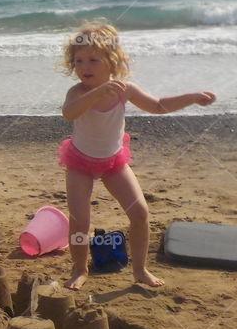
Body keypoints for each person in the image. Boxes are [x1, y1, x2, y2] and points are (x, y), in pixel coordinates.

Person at [58, 21, 215, 290]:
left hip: (112, 162)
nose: (84, 67)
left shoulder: (124, 90)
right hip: (80, 162)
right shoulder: (78, 92)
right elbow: (69, 113)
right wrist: (96, 92)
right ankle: (80, 269)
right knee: (80, 220)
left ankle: (140, 270)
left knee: (140, 213)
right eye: (79, 61)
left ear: (112, 62)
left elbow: (159, 106)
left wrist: (191, 97)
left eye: (93, 60)